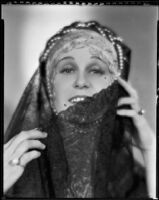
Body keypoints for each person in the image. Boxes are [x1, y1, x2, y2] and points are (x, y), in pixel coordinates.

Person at [3, 21, 156, 198]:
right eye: (67, 69)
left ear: (116, 87)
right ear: (49, 88)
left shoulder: (135, 182)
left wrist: (150, 150)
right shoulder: (13, 170)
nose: (81, 81)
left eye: (96, 70)